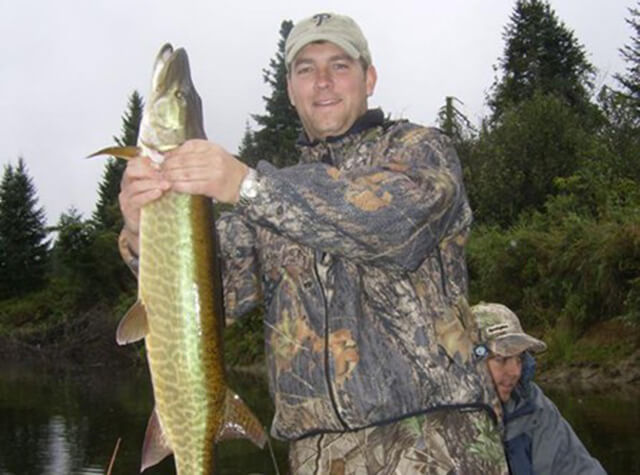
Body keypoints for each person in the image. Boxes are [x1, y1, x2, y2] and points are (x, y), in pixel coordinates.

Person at [119, 12, 509, 474]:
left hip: (437, 445)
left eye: (339, 66)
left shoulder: (421, 152)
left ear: (370, 77)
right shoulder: (267, 203)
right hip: (318, 458)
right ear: (290, 89)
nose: (322, 81)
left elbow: (391, 225)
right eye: (306, 69)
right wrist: (142, 232)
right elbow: (206, 297)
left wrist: (246, 185)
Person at [471, 302, 606, 475]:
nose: (515, 372)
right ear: (471, 361)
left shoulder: (533, 407)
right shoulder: (445, 415)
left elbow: (579, 468)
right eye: (501, 359)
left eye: (519, 359)